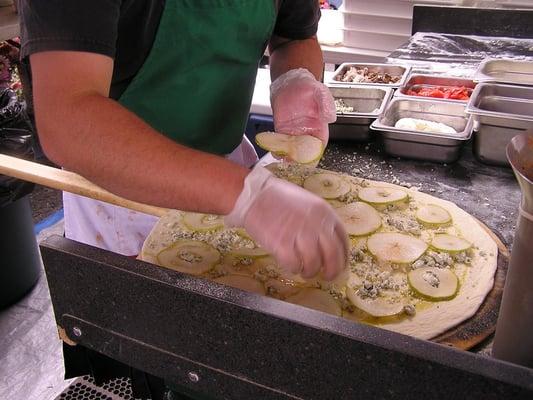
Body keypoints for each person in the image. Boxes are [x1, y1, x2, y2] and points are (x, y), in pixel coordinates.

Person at [19, 0, 348, 280]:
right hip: (119, 202)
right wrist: (248, 194)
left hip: (235, 169)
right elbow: (68, 117)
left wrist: (295, 79)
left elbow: (294, 36)